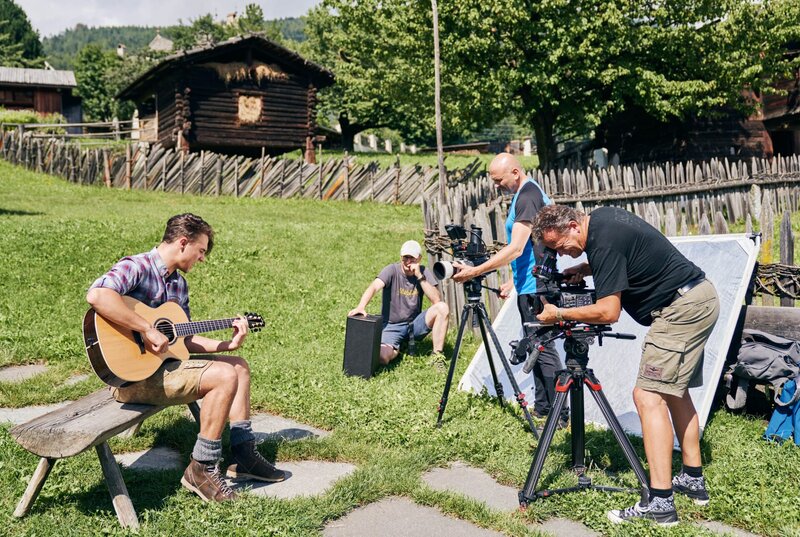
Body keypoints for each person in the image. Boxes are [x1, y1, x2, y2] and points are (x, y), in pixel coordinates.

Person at [531, 204, 720, 526]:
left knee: (647, 397)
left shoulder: (602, 242)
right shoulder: (603, 219)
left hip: (679, 310)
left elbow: (608, 312)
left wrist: (558, 314)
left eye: (560, 247)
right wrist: (588, 269)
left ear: (574, 226)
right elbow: (625, 255)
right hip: (699, 298)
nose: (562, 256)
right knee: (674, 392)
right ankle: (693, 479)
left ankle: (660, 502)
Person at [86, 213, 285, 503]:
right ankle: (201, 468)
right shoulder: (137, 266)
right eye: (201, 250)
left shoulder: (178, 284)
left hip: (162, 368)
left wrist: (228, 344)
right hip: (130, 380)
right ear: (182, 243)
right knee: (224, 376)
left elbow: (183, 338)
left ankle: (243, 455)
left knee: (238, 366)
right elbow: (98, 296)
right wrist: (146, 329)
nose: (202, 259)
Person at [452, 153, 568, 426]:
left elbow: (516, 248)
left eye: (499, 179)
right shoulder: (527, 194)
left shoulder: (527, 195)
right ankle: (543, 409)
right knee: (536, 346)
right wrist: (514, 282)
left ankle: (560, 417)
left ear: (515, 172)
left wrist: (476, 271)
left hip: (538, 287)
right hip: (530, 284)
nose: (496, 185)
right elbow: (532, 250)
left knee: (545, 349)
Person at [349, 240, 449, 365]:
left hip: (414, 324)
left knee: (442, 308)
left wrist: (419, 276)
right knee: (382, 358)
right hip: (392, 326)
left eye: (412, 258)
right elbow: (374, 287)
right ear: (401, 257)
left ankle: (437, 357)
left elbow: (436, 300)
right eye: (405, 258)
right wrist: (361, 306)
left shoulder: (423, 272)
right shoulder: (391, 270)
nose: (408, 262)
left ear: (419, 259)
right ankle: (398, 347)